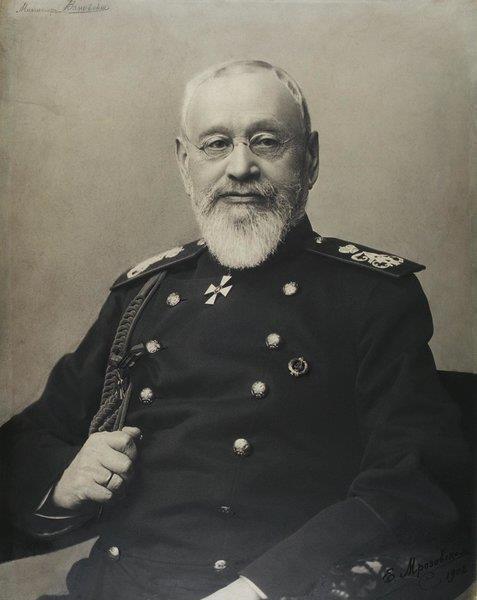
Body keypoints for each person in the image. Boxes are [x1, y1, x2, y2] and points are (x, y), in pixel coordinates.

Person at [2, 60, 471, 600]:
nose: (241, 167)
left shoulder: (371, 296)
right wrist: (63, 480)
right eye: (216, 144)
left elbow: (411, 481)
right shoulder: (144, 293)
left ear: (310, 158)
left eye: (267, 141)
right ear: (185, 164)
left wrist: (261, 589)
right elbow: (30, 439)